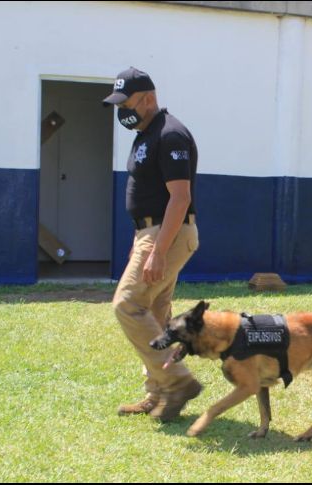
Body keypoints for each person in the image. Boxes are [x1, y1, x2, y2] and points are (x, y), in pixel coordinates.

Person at [103, 67, 201, 422]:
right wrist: (141, 241)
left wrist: (158, 249)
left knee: (127, 305)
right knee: (157, 313)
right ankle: (159, 395)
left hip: (168, 233)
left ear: (147, 98)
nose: (121, 111)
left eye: (124, 103)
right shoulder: (145, 134)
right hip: (151, 233)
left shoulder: (170, 134)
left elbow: (180, 198)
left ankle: (176, 382)